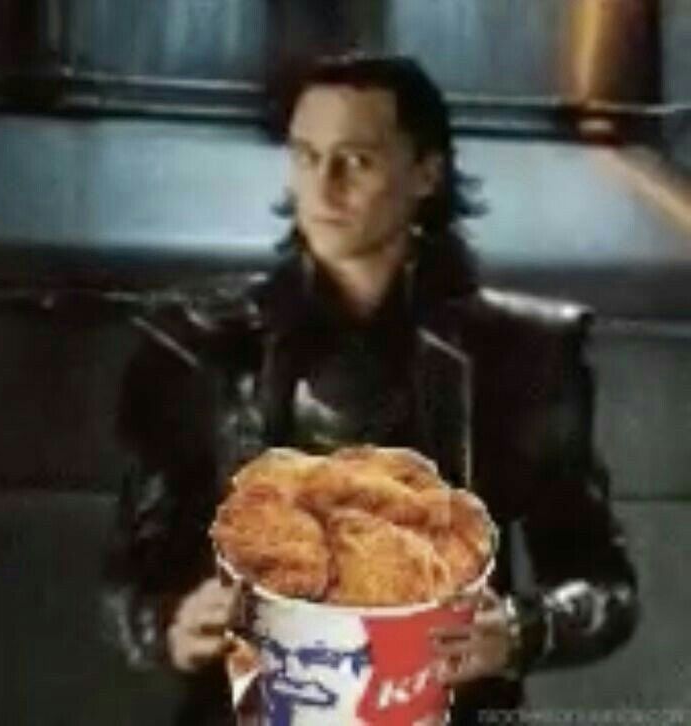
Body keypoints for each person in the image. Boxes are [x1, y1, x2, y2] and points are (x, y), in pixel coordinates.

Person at [102, 55, 638, 724]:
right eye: (306, 156)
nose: (323, 187)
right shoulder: (201, 346)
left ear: (426, 173)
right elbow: (132, 575)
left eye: (355, 160)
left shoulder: (521, 355)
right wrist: (170, 623)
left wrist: (523, 629)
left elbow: (606, 587)